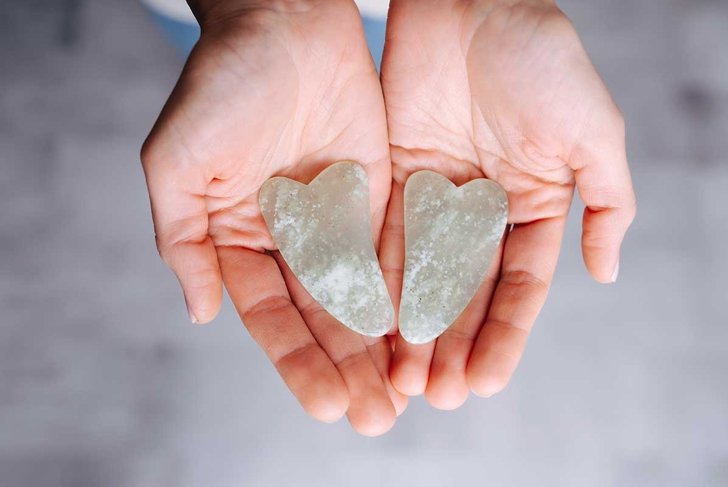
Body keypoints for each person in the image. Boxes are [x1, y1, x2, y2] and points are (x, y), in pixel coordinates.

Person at [141, 0, 636, 437]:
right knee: (203, 40)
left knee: (378, 53)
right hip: (253, 30)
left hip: (416, 39)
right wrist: (258, 10)